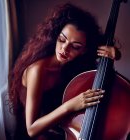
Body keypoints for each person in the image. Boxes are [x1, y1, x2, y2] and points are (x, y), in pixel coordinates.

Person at [9, 3, 121, 140]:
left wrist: (114, 55)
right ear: (56, 36)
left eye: (75, 47)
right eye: (62, 40)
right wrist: (72, 105)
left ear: (83, 50)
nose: (64, 49)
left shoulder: (73, 65)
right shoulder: (37, 70)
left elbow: (105, 80)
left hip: (60, 132)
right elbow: (31, 129)